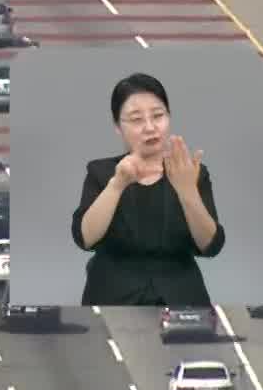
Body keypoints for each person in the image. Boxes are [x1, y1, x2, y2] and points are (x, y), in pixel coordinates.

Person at [70, 72, 225, 306]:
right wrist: (117, 184)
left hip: (182, 297)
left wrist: (187, 191)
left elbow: (211, 246)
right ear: (117, 127)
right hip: (112, 297)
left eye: (158, 116)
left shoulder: (191, 173)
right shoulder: (101, 172)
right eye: (136, 119)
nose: (150, 127)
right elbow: (85, 238)